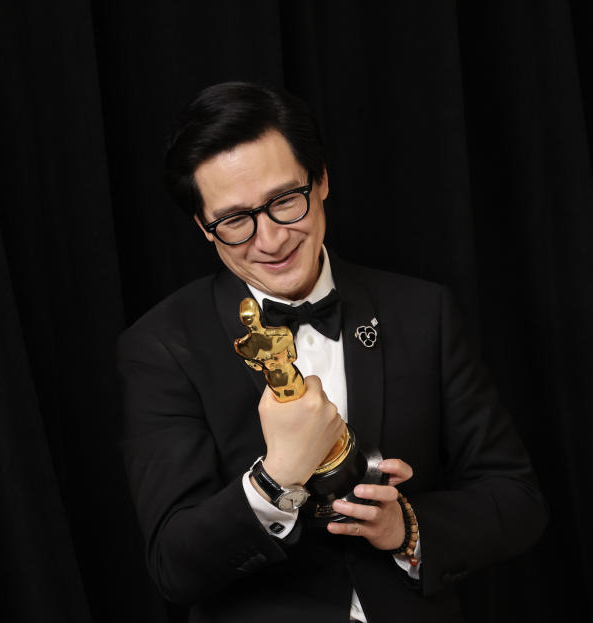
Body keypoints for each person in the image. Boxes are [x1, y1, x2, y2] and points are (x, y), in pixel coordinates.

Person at [118, 81, 546, 623]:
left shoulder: (422, 311)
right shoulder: (159, 346)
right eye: (234, 221)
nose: (269, 239)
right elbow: (174, 566)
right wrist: (277, 478)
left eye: (283, 201)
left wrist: (406, 529)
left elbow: (516, 498)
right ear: (205, 229)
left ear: (320, 181)